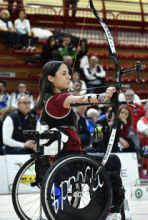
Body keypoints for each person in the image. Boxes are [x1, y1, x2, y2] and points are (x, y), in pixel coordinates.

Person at [37, 61, 125, 218]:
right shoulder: (59, 99)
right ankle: (112, 209)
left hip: (65, 156)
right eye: (63, 74)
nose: (69, 76)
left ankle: (108, 205)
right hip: (71, 160)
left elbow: (75, 99)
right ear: (50, 78)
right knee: (113, 161)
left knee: (101, 155)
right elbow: (83, 98)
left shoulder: (48, 99)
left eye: (68, 73)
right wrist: (104, 96)